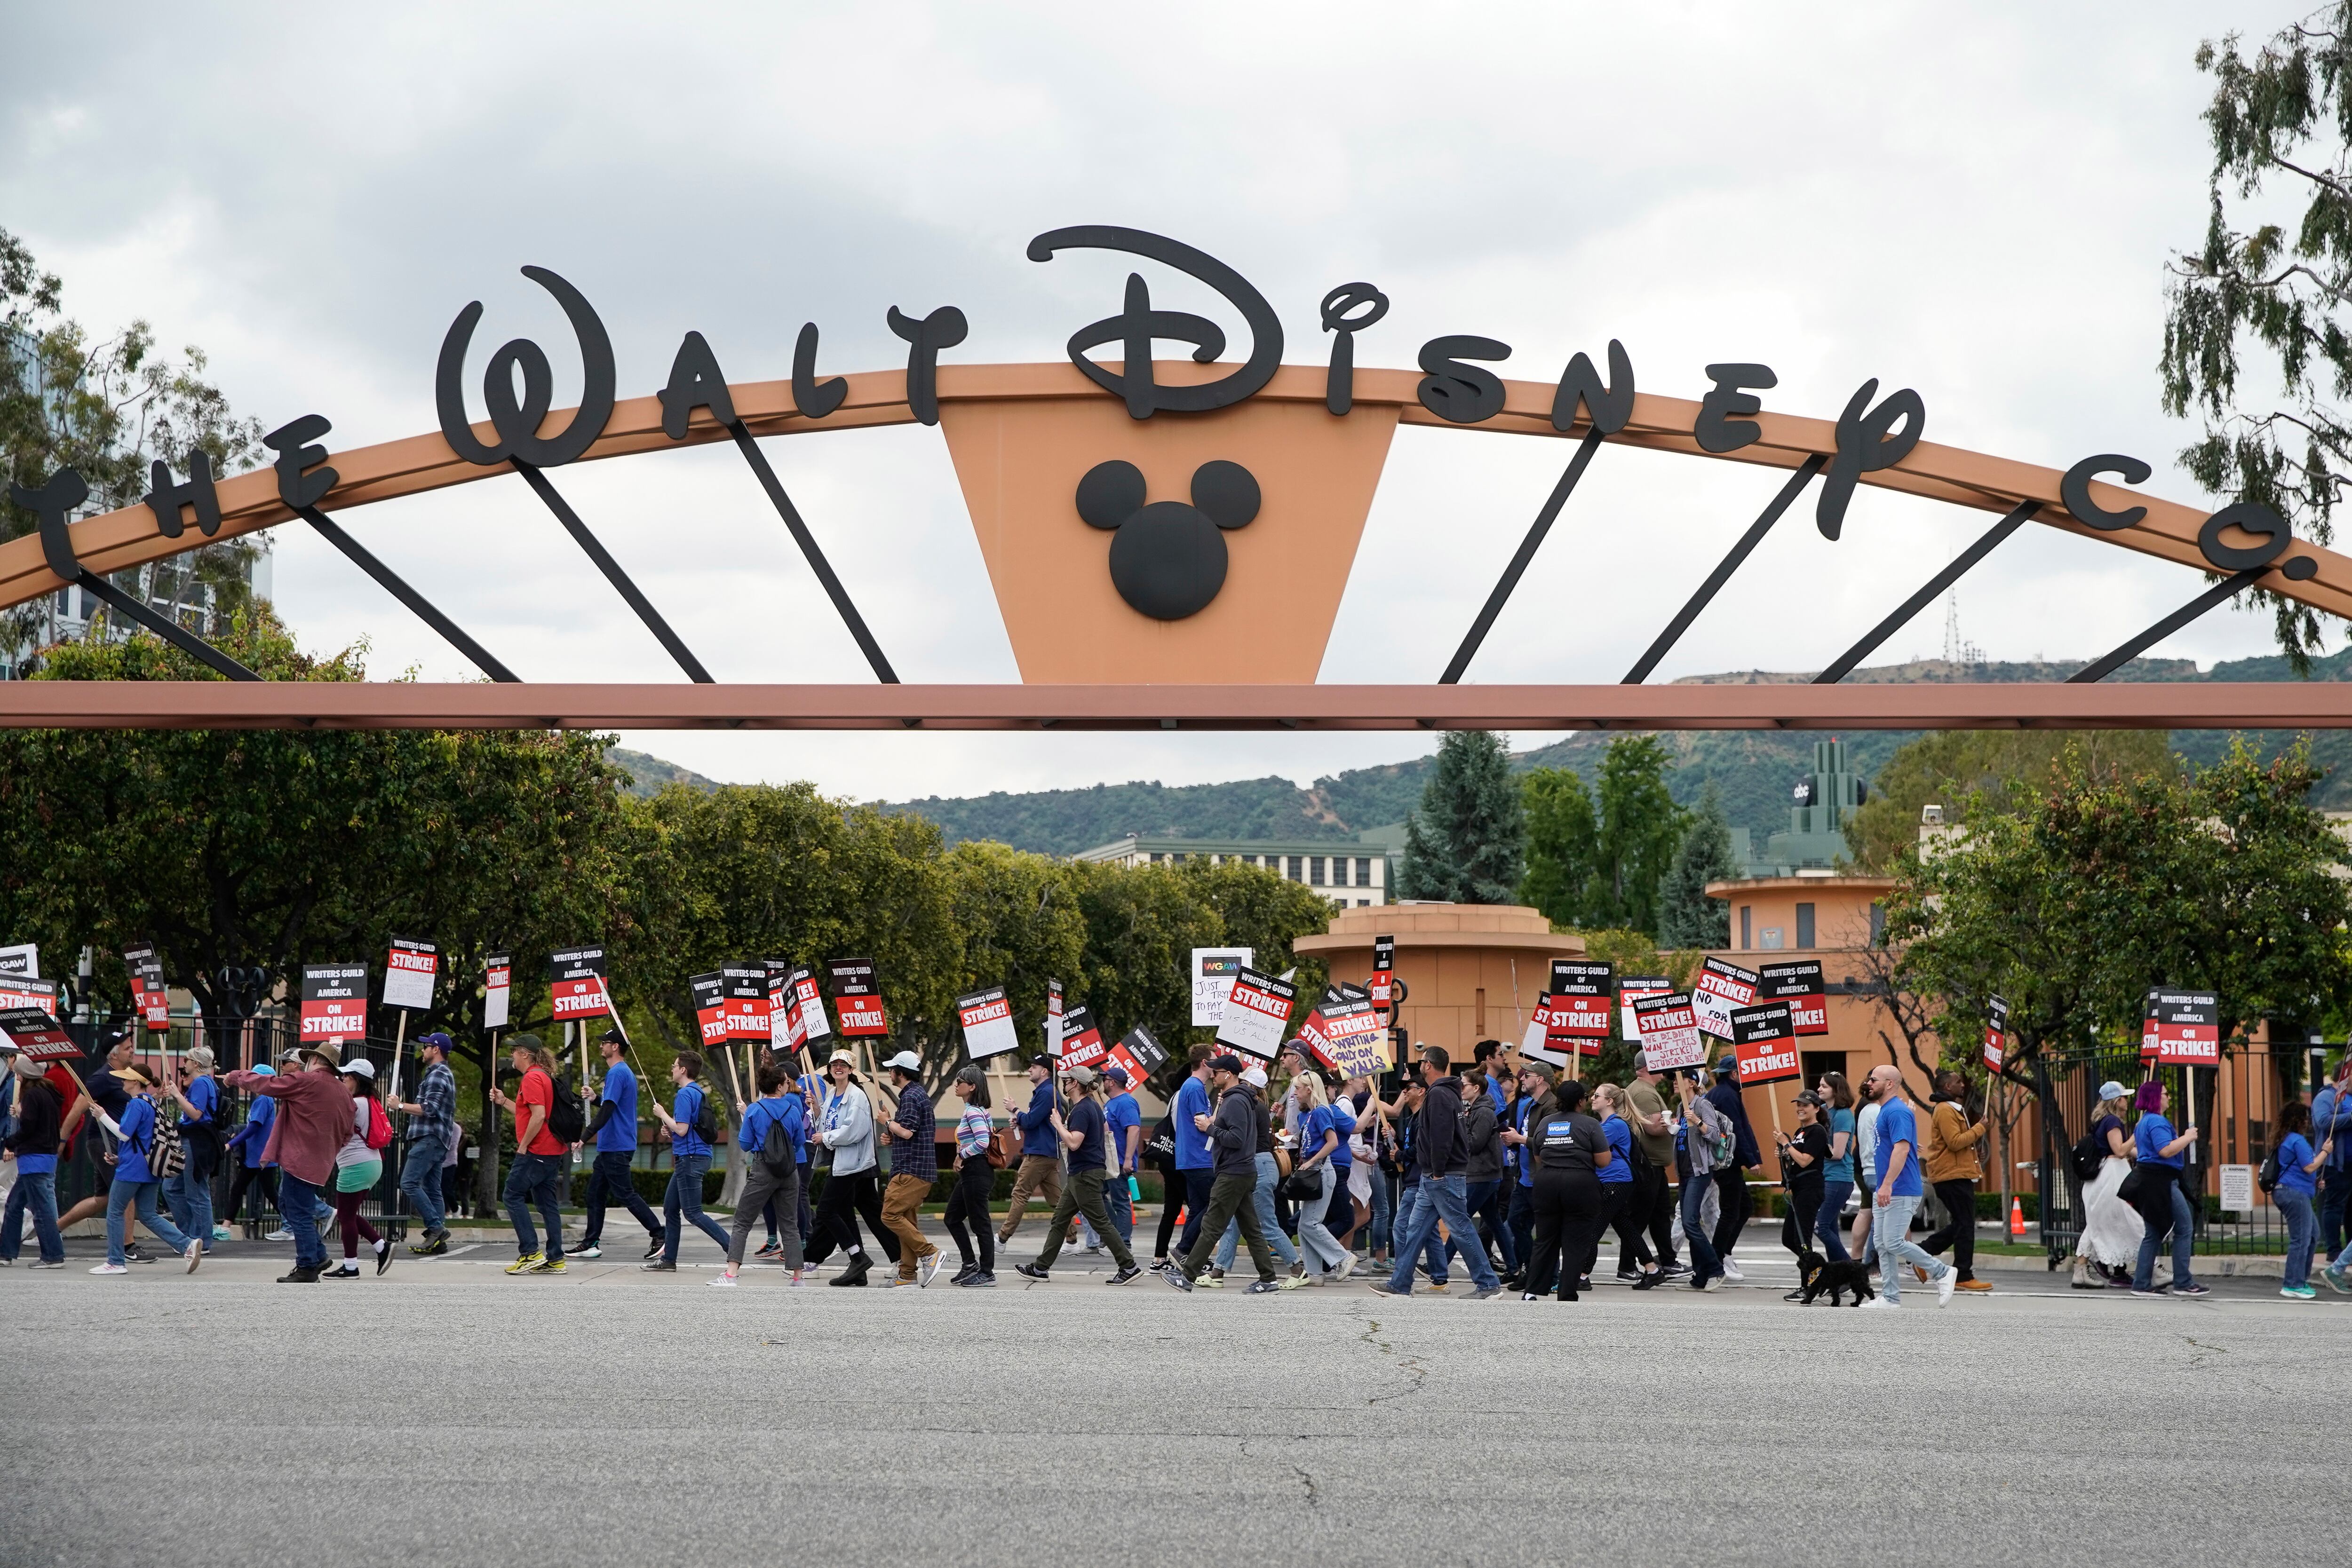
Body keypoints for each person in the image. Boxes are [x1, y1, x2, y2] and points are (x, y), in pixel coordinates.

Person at [1369, 1049, 1502, 1299]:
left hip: (1442, 1175)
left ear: (1428, 1065)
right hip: (1434, 1176)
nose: (1420, 1065)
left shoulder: (1439, 1095)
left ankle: (1488, 1284)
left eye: (1422, 1062)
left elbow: (1442, 1136)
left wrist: (1438, 1171)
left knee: (1460, 1228)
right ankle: (1399, 1284)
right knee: (1414, 1229)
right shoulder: (1445, 1094)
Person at [225, 1043, 354, 1282]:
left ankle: (307, 1266)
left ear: (315, 1060)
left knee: (298, 1211)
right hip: (319, 1160)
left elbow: (269, 1084)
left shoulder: (308, 1081)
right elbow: (348, 1131)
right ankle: (318, 1255)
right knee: (288, 1203)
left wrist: (236, 1076)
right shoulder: (343, 1093)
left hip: (300, 1158)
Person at [1165, 1055, 1289, 1293]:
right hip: (1241, 1171)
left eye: (1217, 1071)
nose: (1212, 1075)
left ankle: (1187, 1276)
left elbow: (1237, 1138)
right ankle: (1269, 1278)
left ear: (1228, 1075)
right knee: (1252, 1228)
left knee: (1212, 1224)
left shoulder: (1235, 1102)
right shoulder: (1237, 1100)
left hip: (1233, 1172)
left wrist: (1209, 1128)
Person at [1017, 1063, 1140, 1283]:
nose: (1064, 1083)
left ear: (1075, 1083)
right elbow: (1105, 1130)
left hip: (1085, 1174)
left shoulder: (1082, 1109)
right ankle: (1041, 1268)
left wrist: (1058, 1125)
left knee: (1100, 1222)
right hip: (1082, 1173)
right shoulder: (1092, 1106)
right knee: (1060, 1220)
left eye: (1067, 1080)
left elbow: (1074, 1143)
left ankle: (1128, 1266)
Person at [87, 1065, 203, 1275]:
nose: (122, 1082)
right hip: (151, 1167)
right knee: (149, 1214)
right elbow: (142, 1139)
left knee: (114, 1212)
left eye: (126, 1079)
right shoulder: (151, 1103)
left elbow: (124, 1135)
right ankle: (187, 1244)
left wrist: (102, 1116)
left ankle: (115, 1261)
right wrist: (119, 1157)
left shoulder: (137, 1104)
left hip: (132, 1169)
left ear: (136, 1082)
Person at [1858, 1064, 1957, 1310]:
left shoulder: (1898, 1112)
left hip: (1900, 1189)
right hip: (1887, 1188)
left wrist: (1887, 1185)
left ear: (1889, 1084)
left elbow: (1901, 1150)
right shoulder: (1885, 1111)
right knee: (1882, 1243)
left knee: (1892, 1242)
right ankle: (1890, 1298)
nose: (1869, 1083)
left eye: (1874, 1080)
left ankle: (1942, 1272)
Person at [569, 1028, 661, 1262]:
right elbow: (611, 1105)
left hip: (617, 1145)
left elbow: (608, 1112)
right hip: (613, 1145)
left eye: (605, 1043)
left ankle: (660, 1235)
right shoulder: (620, 1073)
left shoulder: (618, 1073)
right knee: (595, 1194)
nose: (601, 1046)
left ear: (616, 1047)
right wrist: (595, 1098)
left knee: (625, 1194)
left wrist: (584, 1136)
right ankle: (591, 1243)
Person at [807, 1049, 898, 1285]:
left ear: (850, 1070)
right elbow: (827, 1125)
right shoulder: (831, 1095)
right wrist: (818, 1112)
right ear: (829, 1070)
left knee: (827, 1211)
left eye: (843, 1065)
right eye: (834, 1064)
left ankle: (858, 1257)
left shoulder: (856, 1096)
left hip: (852, 1163)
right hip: (842, 1161)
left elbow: (854, 1131)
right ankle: (862, 1269)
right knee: (851, 1211)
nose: (838, 1068)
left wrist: (825, 1139)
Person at [715, 1060, 808, 1288]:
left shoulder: (755, 1109)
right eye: (786, 1083)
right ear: (778, 1087)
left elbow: (745, 1144)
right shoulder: (793, 1109)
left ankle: (731, 1274)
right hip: (789, 1171)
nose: (788, 1086)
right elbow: (798, 1142)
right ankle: (798, 1276)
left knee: (743, 1221)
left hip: (763, 1169)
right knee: (790, 1224)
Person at [1518, 1078, 1611, 1300]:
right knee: (1575, 1241)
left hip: (1547, 1182)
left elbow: (1538, 1155)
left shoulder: (1546, 1123)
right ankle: (1566, 1293)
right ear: (1581, 1101)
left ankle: (1532, 1291)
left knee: (1545, 1239)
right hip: (1580, 1184)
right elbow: (1604, 1161)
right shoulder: (1590, 1124)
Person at [1209, 1064, 1301, 1282]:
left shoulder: (1249, 1105)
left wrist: (1216, 1120)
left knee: (1266, 1224)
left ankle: (1297, 1268)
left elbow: (1236, 1135)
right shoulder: (1259, 1106)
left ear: (1247, 1084)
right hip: (1262, 1165)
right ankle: (1218, 1272)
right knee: (1233, 1222)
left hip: (1257, 1165)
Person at [643, 1051, 731, 1273]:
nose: (672, 1069)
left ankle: (733, 1247)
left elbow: (681, 1129)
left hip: (690, 1159)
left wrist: (663, 1115)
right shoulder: (698, 1092)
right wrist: (670, 1127)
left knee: (693, 1213)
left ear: (683, 1070)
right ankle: (668, 1260)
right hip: (695, 1156)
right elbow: (686, 1128)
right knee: (671, 1209)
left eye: (674, 1066)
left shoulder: (684, 1094)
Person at [488, 1036, 569, 1275]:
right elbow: (527, 1112)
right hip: (552, 1150)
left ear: (525, 1053)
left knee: (511, 1195)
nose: (511, 1055)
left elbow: (539, 1116)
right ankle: (556, 1259)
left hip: (536, 1150)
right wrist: (504, 1102)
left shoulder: (532, 1077)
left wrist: (523, 1146)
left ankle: (530, 1252)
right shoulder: (543, 1076)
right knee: (547, 1205)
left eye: (514, 1051)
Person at [2127, 1079, 2209, 1298]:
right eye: (2165, 1094)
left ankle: (2142, 1283)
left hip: (2150, 1179)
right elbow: (2165, 1150)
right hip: (2162, 1181)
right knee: (2184, 1228)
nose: (2169, 1097)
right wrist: (2187, 1137)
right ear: (2156, 1098)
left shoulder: (2144, 1122)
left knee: (2153, 1233)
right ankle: (2182, 1282)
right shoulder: (2157, 1122)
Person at [875, 1050, 943, 1287]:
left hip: (911, 1170)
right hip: (914, 1167)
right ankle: (907, 1275)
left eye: (892, 1070)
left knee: (890, 1215)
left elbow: (908, 1131)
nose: (890, 1074)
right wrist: (891, 1135)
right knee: (907, 1221)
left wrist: (887, 1122)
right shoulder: (916, 1095)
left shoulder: (912, 1096)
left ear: (900, 1073)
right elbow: (908, 1134)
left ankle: (929, 1252)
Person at [1919, 1069, 1991, 1291]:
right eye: (1958, 1082)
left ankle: (1921, 1254)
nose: (1963, 1084)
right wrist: (1981, 1128)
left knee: (1962, 1224)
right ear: (1948, 1087)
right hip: (1951, 1176)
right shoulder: (1945, 1110)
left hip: (1956, 1173)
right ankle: (1962, 1274)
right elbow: (1954, 1142)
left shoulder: (1950, 1109)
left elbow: (1955, 1146)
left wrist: (1972, 1153)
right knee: (1965, 1224)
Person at [394, 1031, 463, 1255]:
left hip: (430, 1137)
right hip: (438, 1139)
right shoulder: (441, 1073)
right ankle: (438, 1243)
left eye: (426, 1047)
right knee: (433, 1189)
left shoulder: (437, 1074)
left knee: (409, 1182)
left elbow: (429, 1109)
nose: (422, 1050)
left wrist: (400, 1106)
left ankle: (436, 1229)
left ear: (436, 1050)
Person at [2070, 1082, 2141, 1289]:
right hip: (2112, 1178)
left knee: (2098, 1225)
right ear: (2117, 1101)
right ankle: (2150, 1267)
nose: (2128, 1101)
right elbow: (2120, 1150)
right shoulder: (2112, 1122)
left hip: (2105, 1178)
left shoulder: (2104, 1121)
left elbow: (2122, 1151)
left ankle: (2086, 1270)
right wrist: (2137, 1134)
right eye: (2125, 1097)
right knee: (2130, 1221)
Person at [326, 1059, 392, 1278]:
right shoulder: (370, 1101)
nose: (342, 1079)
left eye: (346, 1076)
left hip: (356, 1164)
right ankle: (382, 1246)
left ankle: (351, 1266)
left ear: (357, 1079)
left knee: (346, 1217)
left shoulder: (355, 1104)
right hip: (371, 1163)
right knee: (349, 1214)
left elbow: (334, 1126)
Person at [0, 1053, 67, 1267]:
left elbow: (29, 1128)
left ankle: (53, 1255)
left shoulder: (32, 1096)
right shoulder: (48, 1093)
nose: (16, 1076)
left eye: (19, 1073)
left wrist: (10, 1141)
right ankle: (6, 1253)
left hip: (34, 1158)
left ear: (26, 1074)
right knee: (15, 1204)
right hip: (44, 1156)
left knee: (41, 1209)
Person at [1593, 1083, 1661, 1289]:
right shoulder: (1608, 1124)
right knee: (1626, 1228)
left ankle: (1582, 1274)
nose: (1592, 1098)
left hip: (1614, 1181)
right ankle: (1653, 1270)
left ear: (1610, 1101)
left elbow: (1590, 1148)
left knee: (1594, 1229)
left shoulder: (1613, 1126)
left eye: (1597, 1096)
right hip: (1613, 1180)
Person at [1288, 1068, 1351, 1283]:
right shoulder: (1310, 1113)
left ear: (1309, 1089)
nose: (1295, 1093)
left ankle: (1343, 1257)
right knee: (1304, 1224)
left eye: (1297, 1088)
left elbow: (1332, 1142)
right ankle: (1315, 1273)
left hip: (1322, 1170)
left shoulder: (1322, 1111)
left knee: (1310, 1223)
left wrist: (1313, 1161)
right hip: (1315, 1170)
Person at [997, 1055, 1065, 1248]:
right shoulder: (1043, 1092)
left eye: (1033, 1067)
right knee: (1057, 1200)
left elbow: (1031, 1121)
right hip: (1046, 1151)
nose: (1029, 1070)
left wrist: (1016, 1111)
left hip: (1039, 1153)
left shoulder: (1046, 1093)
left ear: (1044, 1071)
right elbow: (1034, 1122)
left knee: (1020, 1193)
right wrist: (1020, 1119)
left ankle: (1002, 1238)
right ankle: (1072, 1239)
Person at [1704, 1054, 1760, 1279]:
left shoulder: (1720, 1093)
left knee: (1744, 1206)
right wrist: (1751, 1159)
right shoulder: (1728, 1096)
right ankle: (1718, 1259)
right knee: (1731, 1211)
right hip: (1726, 1162)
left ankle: (1723, 1254)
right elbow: (1735, 1130)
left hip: (1723, 1161)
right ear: (1734, 1074)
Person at [1624, 1058, 1681, 1277]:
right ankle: (1627, 1266)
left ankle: (1668, 1260)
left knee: (1659, 1215)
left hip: (1654, 1165)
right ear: (1647, 1068)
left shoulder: (1642, 1089)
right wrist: (1674, 1124)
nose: (1665, 1067)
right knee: (1639, 1217)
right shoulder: (1645, 1093)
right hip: (1647, 1165)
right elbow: (1654, 1128)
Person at [1672, 1070, 1728, 1290]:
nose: (1675, 1084)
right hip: (1685, 1173)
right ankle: (1700, 1276)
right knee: (1691, 1224)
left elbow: (1715, 1136)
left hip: (1700, 1172)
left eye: (1679, 1080)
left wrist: (1697, 1122)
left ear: (1692, 1083)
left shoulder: (1702, 1105)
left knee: (1689, 1223)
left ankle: (1716, 1269)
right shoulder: (1680, 1107)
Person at [1162, 1045, 1217, 1269]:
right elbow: (1201, 1123)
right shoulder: (1195, 1088)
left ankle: (1188, 1256)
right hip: (1199, 1157)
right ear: (1204, 1063)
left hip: (1191, 1157)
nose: (1217, 1066)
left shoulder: (1193, 1086)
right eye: (1214, 1061)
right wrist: (1220, 1116)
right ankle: (1183, 1250)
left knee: (1197, 1208)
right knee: (1214, 1204)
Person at [163, 1045, 222, 1251]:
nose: (184, 1064)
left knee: (196, 1191)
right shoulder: (204, 1083)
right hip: (191, 1139)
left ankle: (201, 1240)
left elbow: (196, 1114)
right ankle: (189, 1235)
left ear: (195, 1064)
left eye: (187, 1060)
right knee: (171, 1187)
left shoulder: (201, 1083)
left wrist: (178, 1095)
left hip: (196, 1141)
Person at [943, 1064, 998, 1287]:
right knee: (952, 1218)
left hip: (977, 1170)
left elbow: (983, 1142)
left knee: (980, 1224)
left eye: (960, 1082)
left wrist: (961, 1156)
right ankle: (970, 1264)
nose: (956, 1085)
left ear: (972, 1087)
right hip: (974, 1172)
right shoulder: (980, 1111)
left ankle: (987, 1272)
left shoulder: (974, 1111)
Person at [1456, 1064, 1512, 1282]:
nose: (1461, 1088)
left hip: (1483, 1174)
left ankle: (1439, 1266)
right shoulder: (1475, 1110)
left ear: (1476, 1088)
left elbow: (1475, 1143)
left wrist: (1458, 1136)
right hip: (1483, 1172)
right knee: (1495, 1222)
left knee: (1461, 1220)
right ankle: (1514, 1264)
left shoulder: (1483, 1112)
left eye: (1464, 1085)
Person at [1774, 1088, 1830, 1299]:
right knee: (1789, 1238)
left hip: (1810, 1188)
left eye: (1805, 1105)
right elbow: (1796, 1159)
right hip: (1799, 1189)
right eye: (1798, 1105)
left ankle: (1810, 1286)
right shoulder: (1800, 1132)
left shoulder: (1817, 1131)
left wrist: (1786, 1144)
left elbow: (1806, 1160)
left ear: (1816, 1108)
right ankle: (1819, 1271)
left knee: (1802, 1239)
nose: (1800, 1109)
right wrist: (1785, 1153)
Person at [2273, 1101, 2330, 1299]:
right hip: (2294, 1194)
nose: (2308, 1121)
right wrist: (2325, 1151)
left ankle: (2300, 1280)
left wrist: (2314, 1183)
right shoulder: (2297, 1140)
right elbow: (2309, 1166)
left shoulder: (2286, 1139)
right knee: (2301, 1239)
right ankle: (2293, 1284)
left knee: (2312, 1234)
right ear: (2299, 1120)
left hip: (2291, 1191)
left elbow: (2300, 1169)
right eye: (2305, 1118)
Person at [1501, 1062, 1549, 1282]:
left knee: (1546, 1230)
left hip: (1540, 1177)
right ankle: (1530, 1269)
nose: (1521, 1079)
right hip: (1524, 1177)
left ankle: (1546, 1274)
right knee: (1516, 1223)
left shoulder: (1550, 1106)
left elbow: (1549, 1142)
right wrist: (1512, 1140)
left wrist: (1520, 1139)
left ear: (1540, 1080)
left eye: (1527, 1075)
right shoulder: (1530, 1105)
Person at [223, 1062, 279, 1239]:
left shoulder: (264, 1099)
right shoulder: (266, 1099)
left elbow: (254, 1127)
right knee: (242, 1189)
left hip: (261, 1157)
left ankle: (293, 1224)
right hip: (257, 1157)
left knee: (269, 1193)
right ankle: (226, 1225)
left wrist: (231, 1144)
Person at [1814, 1072, 1856, 1261]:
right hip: (1823, 1176)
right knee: (1830, 1227)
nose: (1819, 1089)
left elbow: (1837, 1153)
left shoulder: (1843, 1115)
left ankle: (1849, 1268)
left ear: (1836, 1090)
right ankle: (1839, 1274)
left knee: (1820, 1226)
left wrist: (1814, 1146)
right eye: (1820, 1085)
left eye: (1824, 1086)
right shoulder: (1821, 1111)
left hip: (1838, 1178)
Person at [2315, 1057, 2352, 1269]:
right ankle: (2333, 1251)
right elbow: (2324, 1121)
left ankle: (2348, 1251)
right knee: (2335, 1206)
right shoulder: (2327, 1097)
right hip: (2336, 1164)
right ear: (2345, 1076)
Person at [1102, 1064, 1142, 1252]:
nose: (1102, 1082)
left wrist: (1128, 1160)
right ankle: (1115, 1234)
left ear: (1112, 1082)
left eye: (1105, 1079)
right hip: (1109, 1161)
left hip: (1119, 1161)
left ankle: (1124, 1242)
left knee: (1121, 1202)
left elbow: (1133, 1129)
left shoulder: (1126, 1102)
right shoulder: (1111, 1103)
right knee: (1096, 1194)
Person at [1850, 1069, 1884, 1266]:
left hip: (1863, 1164)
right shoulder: (1875, 1108)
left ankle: (1858, 1259)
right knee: (1878, 1215)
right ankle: (1872, 1262)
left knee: (1868, 1210)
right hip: (1872, 1166)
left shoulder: (1865, 1107)